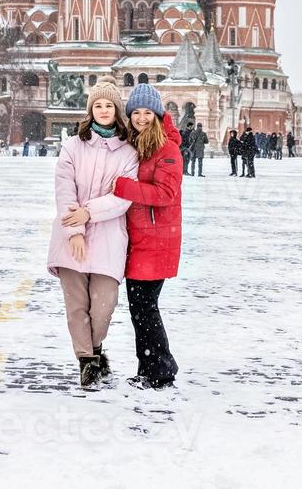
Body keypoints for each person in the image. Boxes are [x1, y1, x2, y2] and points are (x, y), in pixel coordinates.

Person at [49, 80, 139, 389]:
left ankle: (96, 348)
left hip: (109, 236)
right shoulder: (73, 146)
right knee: (76, 305)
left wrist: (89, 212)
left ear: (116, 112)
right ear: (91, 110)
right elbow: (64, 188)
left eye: (109, 106)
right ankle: (87, 361)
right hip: (70, 236)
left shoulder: (128, 152)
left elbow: (124, 196)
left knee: (103, 305)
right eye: (98, 105)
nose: (103, 110)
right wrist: (75, 229)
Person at [105, 83, 184, 390]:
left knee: (144, 307)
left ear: (157, 114)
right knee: (141, 308)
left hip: (156, 239)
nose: (140, 117)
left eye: (146, 112)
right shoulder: (134, 145)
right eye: (135, 112)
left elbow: (165, 193)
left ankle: (161, 370)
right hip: (138, 238)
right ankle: (148, 369)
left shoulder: (167, 147)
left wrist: (123, 187)